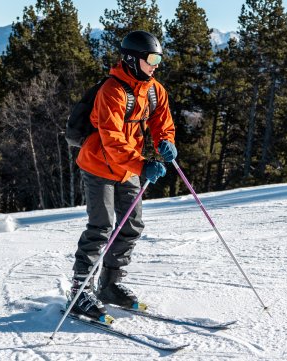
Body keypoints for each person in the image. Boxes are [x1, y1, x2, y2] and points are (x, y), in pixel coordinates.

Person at [69, 31, 178, 321]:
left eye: (159, 58)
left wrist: (166, 141)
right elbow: (112, 140)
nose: (156, 64)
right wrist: (142, 165)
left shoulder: (154, 90)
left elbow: (161, 121)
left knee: (132, 224)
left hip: (128, 166)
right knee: (102, 226)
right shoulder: (112, 91)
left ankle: (110, 284)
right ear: (133, 59)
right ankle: (80, 291)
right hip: (98, 165)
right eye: (152, 58)